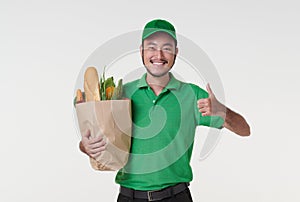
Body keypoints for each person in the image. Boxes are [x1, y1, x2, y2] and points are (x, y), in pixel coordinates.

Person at [79, 19, 250, 202]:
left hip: (176, 196)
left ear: (176, 52)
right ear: (141, 51)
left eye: (166, 48)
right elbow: (98, 140)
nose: (158, 55)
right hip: (129, 196)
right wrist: (85, 147)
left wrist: (222, 111)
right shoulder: (120, 94)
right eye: (151, 47)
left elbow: (245, 130)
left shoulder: (193, 95)